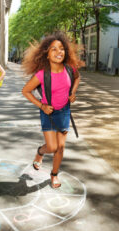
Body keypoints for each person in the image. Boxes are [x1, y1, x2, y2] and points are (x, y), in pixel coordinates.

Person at [21, 32, 82, 188]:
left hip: (64, 112)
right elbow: (26, 91)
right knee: (52, 147)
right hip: (48, 112)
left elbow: (77, 78)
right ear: (46, 54)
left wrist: (73, 92)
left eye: (61, 48)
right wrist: (41, 105)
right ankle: (41, 152)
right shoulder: (42, 74)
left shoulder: (69, 69)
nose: (58, 52)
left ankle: (54, 175)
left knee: (60, 148)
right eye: (53, 49)